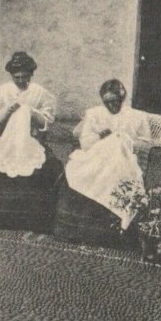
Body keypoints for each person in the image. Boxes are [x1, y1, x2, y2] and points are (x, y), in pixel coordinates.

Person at [54, 79, 152, 247]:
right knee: (82, 172)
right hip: (97, 156)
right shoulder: (93, 114)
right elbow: (84, 141)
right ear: (102, 100)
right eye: (108, 102)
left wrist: (124, 139)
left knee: (116, 166)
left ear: (123, 98)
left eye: (117, 101)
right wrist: (100, 136)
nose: (113, 105)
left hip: (123, 157)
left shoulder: (137, 116)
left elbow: (146, 143)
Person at [0, 51, 63, 232]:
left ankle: (35, 219)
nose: (21, 81)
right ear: (11, 76)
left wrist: (32, 112)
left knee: (47, 166)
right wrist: (7, 111)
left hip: (31, 136)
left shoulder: (39, 92)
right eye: (17, 77)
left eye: (25, 77)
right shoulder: (2, 91)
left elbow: (46, 121)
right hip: (3, 135)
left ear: (31, 75)